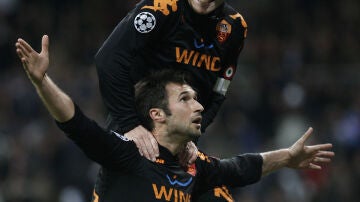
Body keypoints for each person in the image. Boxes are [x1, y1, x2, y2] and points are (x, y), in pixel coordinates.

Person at [15, 35, 334, 202]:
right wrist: (43, 82)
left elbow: (242, 168)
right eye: (185, 99)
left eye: (195, 98)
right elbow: (77, 124)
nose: (198, 107)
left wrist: (288, 157)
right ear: (157, 115)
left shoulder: (194, 167)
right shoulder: (128, 154)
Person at [95, 0, 248, 162]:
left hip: (179, 146)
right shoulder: (162, 7)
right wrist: (130, 125)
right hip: (135, 133)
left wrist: (193, 134)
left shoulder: (235, 26)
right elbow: (108, 59)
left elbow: (219, 90)